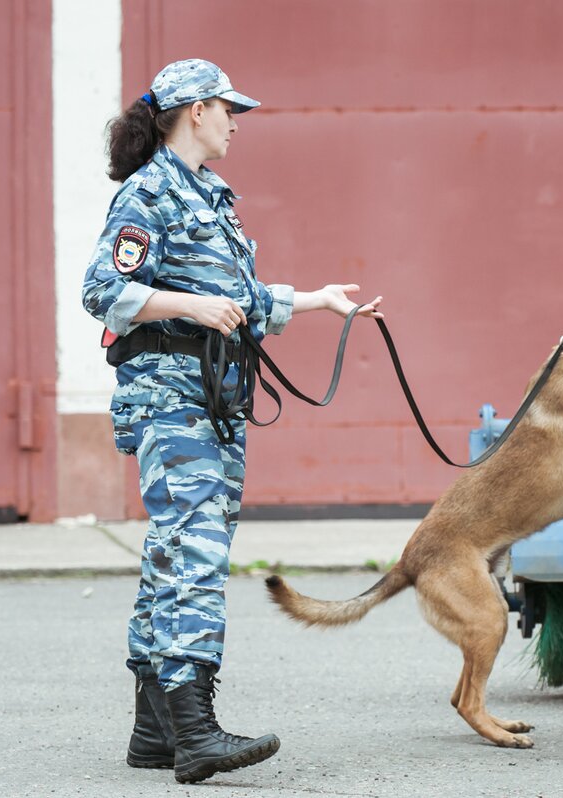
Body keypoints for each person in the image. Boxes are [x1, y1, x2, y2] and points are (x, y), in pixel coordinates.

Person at [81, 58, 382, 785]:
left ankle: (153, 731)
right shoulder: (150, 192)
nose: (235, 122)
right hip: (170, 400)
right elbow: (102, 288)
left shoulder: (208, 195)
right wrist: (185, 307)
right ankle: (196, 732)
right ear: (193, 112)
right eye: (227, 110)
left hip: (210, 401)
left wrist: (315, 300)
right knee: (196, 552)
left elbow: (238, 296)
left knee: (171, 554)